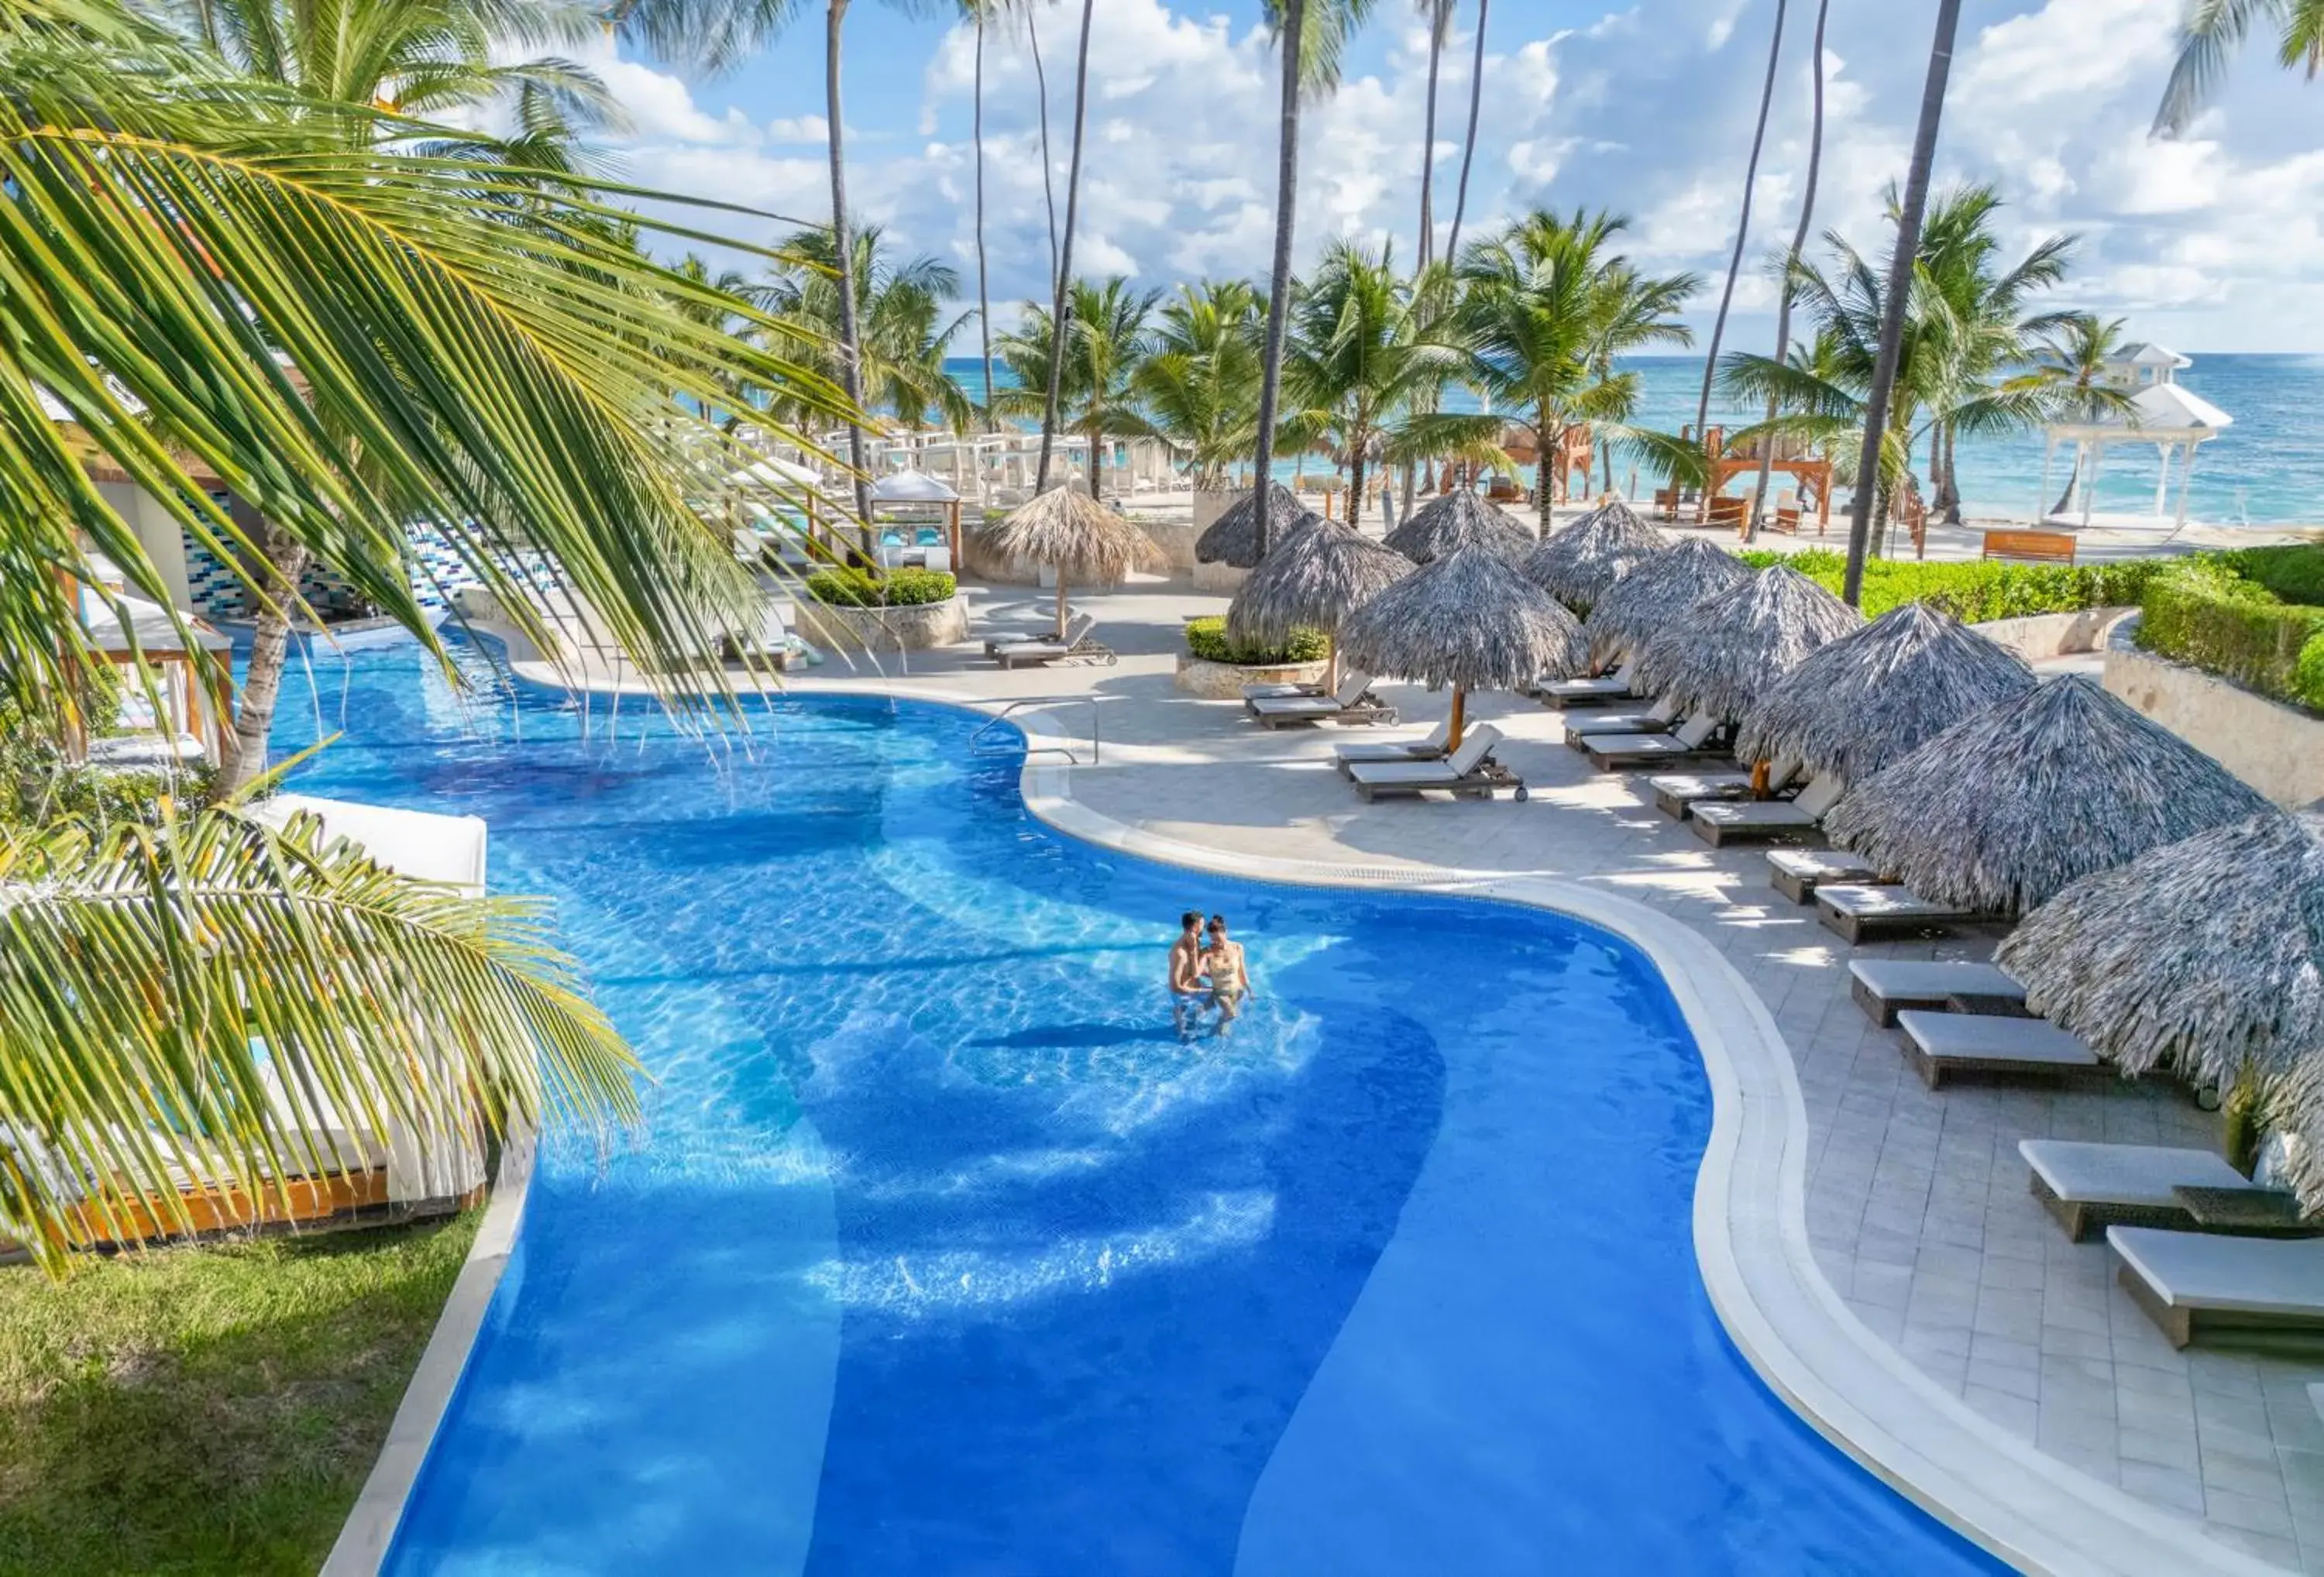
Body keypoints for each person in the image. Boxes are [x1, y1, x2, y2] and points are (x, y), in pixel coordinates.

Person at [1199, 914, 1251, 1035]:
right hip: (1220, 992)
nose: (1215, 942)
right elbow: (1197, 970)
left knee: (1223, 1022)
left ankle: (1217, 1020)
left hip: (1237, 991)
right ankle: (1218, 1023)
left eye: (1218, 938)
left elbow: (1242, 971)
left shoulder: (1238, 947)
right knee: (1232, 1014)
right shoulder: (1207, 951)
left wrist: (1249, 990)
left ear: (1225, 932)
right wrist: (1214, 975)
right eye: (1212, 939)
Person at [1167, 910, 1206, 1037]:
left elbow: (1194, 972)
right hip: (1182, 993)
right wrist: (1199, 991)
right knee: (1184, 1035)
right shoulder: (1180, 953)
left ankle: (1192, 1019)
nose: (1204, 927)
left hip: (1193, 986)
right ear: (1195, 927)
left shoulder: (1193, 943)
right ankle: (1182, 1028)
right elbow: (1175, 986)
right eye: (1202, 924)